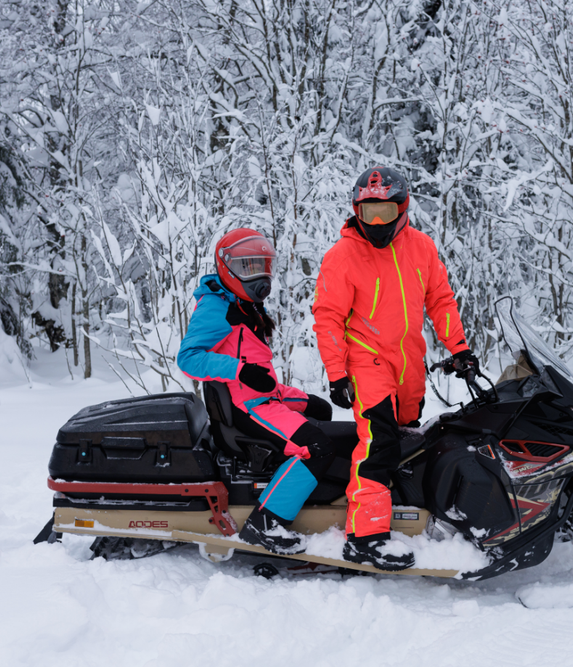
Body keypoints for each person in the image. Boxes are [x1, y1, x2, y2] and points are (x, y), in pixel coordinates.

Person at [312, 166, 479, 571]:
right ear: (356, 212)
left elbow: (440, 300)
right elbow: (328, 317)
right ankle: (364, 536)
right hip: (367, 360)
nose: (376, 223)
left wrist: (458, 347)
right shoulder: (343, 256)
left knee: (408, 440)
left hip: (409, 363)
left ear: (402, 209)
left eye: (385, 213)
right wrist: (336, 373)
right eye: (368, 214)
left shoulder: (421, 247)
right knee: (378, 443)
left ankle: (402, 512)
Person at [177, 228, 335, 555]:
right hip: (245, 409)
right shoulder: (216, 307)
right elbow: (188, 358)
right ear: (228, 268)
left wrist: (288, 392)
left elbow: (258, 373)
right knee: (316, 445)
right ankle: (265, 522)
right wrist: (239, 369)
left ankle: (306, 494)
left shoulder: (244, 306)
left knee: (320, 410)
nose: (259, 275)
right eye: (248, 266)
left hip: (264, 398)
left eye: (263, 265)